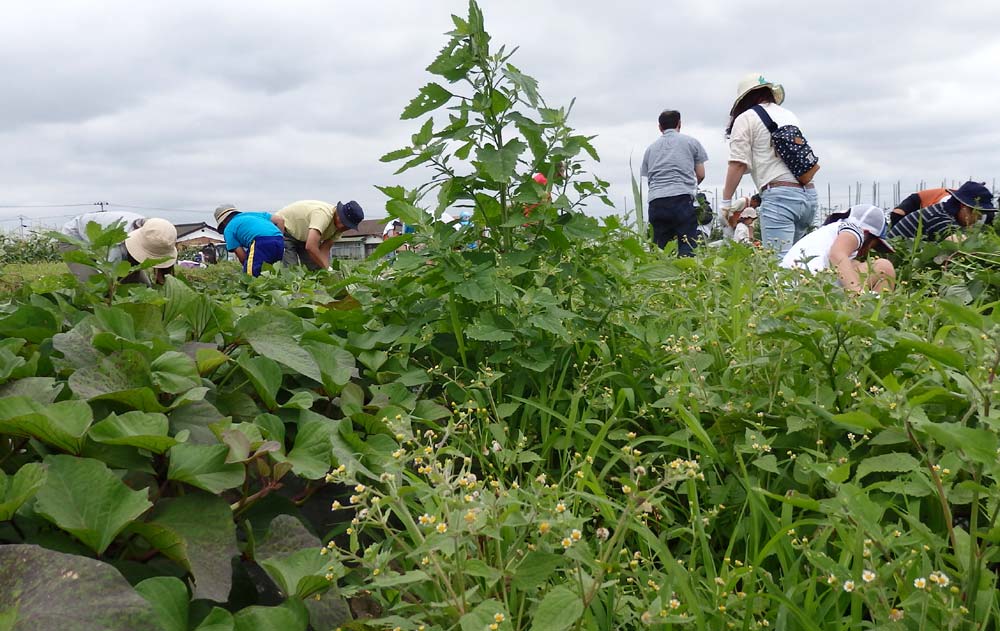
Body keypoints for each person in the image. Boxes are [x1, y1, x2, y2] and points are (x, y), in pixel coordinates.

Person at [722, 73, 817, 257]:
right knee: (796, 264)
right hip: (808, 195)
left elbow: (738, 164)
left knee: (779, 267)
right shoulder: (789, 115)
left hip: (780, 197)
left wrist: (726, 202)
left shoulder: (746, 117)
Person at [781, 204, 895, 294]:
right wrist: (857, 294)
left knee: (853, 264)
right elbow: (837, 255)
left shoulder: (827, 232)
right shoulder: (855, 230)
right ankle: (874, 314)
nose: (867, 252)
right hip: (811, 287)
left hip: (786, 288)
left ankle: (873, 309)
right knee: (884, 267)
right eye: (873, 246)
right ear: (867, 233)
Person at [640, 109, 708, 256]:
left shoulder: (650, 149)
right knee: (687, 246)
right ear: (679, 124)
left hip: (657, 201)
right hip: (682, 198)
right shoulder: (691, 142)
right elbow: (701, 174)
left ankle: (659, 277)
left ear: (660, 127)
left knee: (660, 250)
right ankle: (687, 276)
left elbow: (649, 180)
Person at [60, 211, 177, 285]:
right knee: (94, 286)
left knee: (143, 287)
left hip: (105, 241)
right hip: (74, 238)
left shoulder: (156, 233)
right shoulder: (118, 244)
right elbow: (108, 276)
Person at [271, 200, 364, 270]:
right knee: (290, 269)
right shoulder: (323, 215)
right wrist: (328, 268)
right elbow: (311, 247)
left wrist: (326, 269)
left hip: (304, 238)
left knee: (315, 270)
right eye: (346, 224)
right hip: (285, 230)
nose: (346, 228)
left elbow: (324, 249)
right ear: (339, 216)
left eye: (349, 226)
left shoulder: (340, 228)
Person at [888, 181, 995, 241]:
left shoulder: (945, 211)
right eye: (977, 213)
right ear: (963, 206)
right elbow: (959, 242)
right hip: (895, 257)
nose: (979, 219)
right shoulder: (940, 217)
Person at [214, 204, 285, 276]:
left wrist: (247, 267)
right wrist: (279, 239)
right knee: (274, 272)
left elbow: (242, 256)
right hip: (279, 239)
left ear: (223, 222)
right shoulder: (254, 215)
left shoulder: (228, 229)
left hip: (260, 242)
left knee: (253, 276)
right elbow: (280, 220)